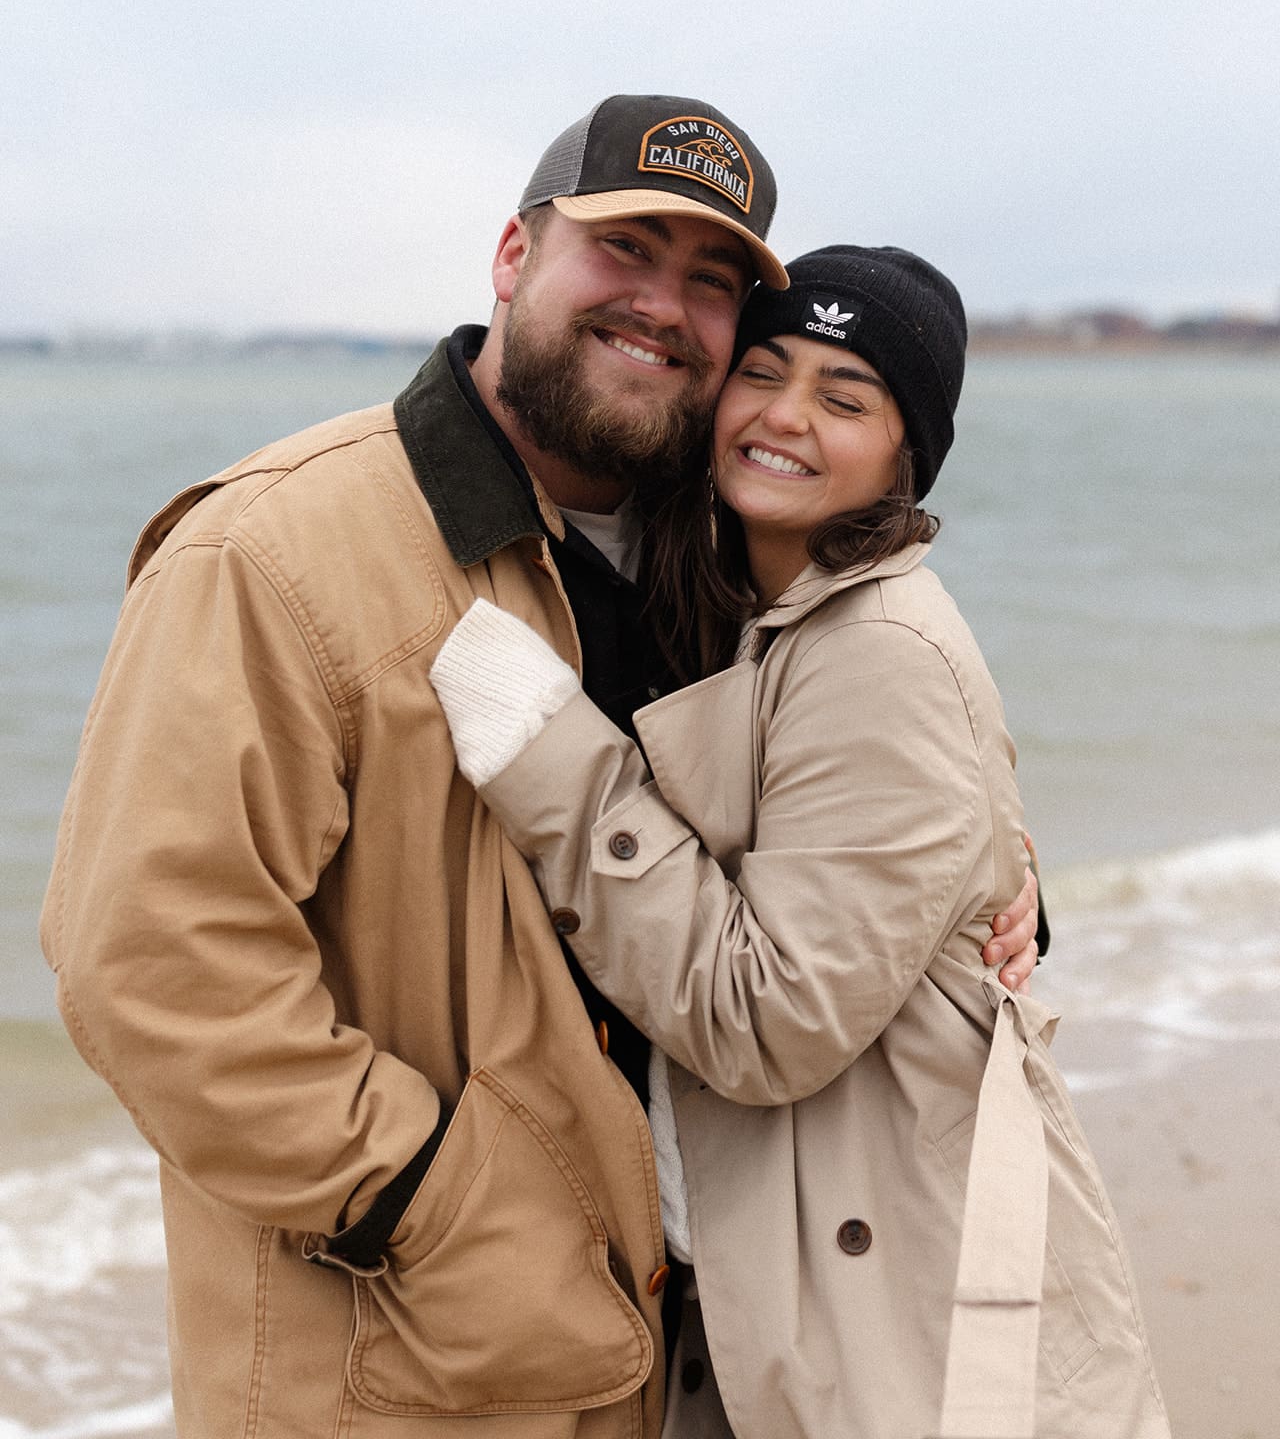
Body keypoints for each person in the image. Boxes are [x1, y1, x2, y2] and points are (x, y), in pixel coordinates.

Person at [41, 100, 1040, 1439]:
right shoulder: (274, 551)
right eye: (626, 250)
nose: (663, 308)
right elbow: (153, 966)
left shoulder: (725, 550)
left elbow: (865, 772)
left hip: (689, 1355)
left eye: (712, 282)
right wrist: (438, 1205)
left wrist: (994, 882)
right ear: (514, 254)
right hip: (405, 1368)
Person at [428, 246, 1169, 1437]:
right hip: (774, 1279)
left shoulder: (874, 648)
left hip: (899, 1321)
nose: (782, 417)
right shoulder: (742, 605)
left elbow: (766, 1022)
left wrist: (542, 749)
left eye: (843, 397)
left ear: (902, 453)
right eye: (763, 371)